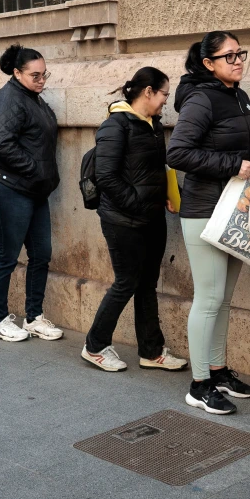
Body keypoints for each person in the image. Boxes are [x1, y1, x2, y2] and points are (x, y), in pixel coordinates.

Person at [167, 30, 250, 415]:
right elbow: (178, 152)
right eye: (229, 56)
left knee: (223, 300)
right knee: (208, 299)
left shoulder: (239, 96)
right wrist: (232, 165)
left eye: (241, 53)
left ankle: (219, 370)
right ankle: (198, 384)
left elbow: (244, 146)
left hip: (235, 211)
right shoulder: (200, 99)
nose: (238, 60)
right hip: (205, 211)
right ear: (208, 64)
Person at [82, 67, 187, 373]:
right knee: (126, 282)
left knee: (147, 285)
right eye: (164, 93)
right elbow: (106, 177)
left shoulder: (154, 125)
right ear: (148, 92)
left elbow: (156, 168)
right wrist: (138, 204)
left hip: (152, 217)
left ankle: (151, 352)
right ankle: (95, 346)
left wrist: (168, 193)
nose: (167, 100)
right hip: (123, 220)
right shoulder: (115, 126)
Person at [0, 44, 64, 343]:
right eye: (35, 75)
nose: (41, 81)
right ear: (17, 73)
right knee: (6, 256)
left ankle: (34, 317)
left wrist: (39, 175)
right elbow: (0, 143)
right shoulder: (9, 99)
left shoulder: (32, 98)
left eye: (44, 75)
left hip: (33, 189)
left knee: (42, 254)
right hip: (7, 188)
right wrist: (35, 169)